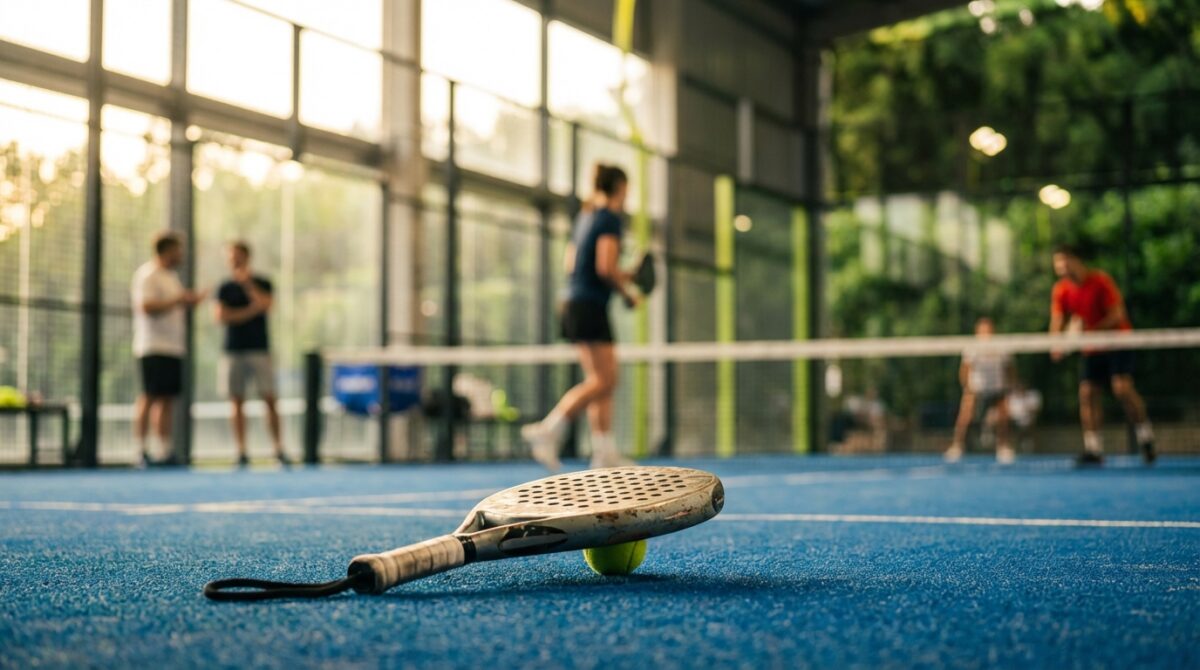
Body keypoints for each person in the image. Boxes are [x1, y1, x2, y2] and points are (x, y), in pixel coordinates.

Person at [521, 164, 642, 471]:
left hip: (573, 302)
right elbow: (605, 267)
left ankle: (604, 453)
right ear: (619, 187)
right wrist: (627, 290)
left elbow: (573, 262)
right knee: (605, 379)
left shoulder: (585, 217)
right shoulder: (610, 219)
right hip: (589, 306)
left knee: (600, 382)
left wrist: (619, 274)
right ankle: (549, 429)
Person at [1049, 244, 1155, 465]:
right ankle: (1094, 449)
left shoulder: (1100, 281)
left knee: (1122, 388)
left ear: (1076, 260)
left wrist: (1088, 332)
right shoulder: (1061, 290)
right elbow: (1058, 320)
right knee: (1087, 392)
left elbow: (1118, 314)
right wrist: (1055, 343)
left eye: (1064, 260)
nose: (1061, 265)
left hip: (1118, 342)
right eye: (1057, 262)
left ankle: (1146, 437)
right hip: (1092, 348)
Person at [132, 231, 206, 467]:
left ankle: (164, 451)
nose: (181, 254)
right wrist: (178, 300)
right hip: (152, 346)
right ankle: (140, 450)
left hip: (173, 347)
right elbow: (146, 306)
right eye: (178, 250)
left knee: (167, 399)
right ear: (167, 250)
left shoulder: (171, 277)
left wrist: (189, 301)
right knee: (150, 396)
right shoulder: (148, 275)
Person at [214, 241, 288, 466]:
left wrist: (248, 286)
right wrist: (249, 312)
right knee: (236, 399)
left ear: (247, 257)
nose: (234, 260)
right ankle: (241, 450)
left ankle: (278, 449)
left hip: (259, 349)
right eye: (231, 256)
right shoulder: (224, 287)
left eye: (238, 256)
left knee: (269, 398)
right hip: (233, 350)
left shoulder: (262, 282)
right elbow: (221, 317)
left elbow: (266, 305)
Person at [945, 317, 1015, 464]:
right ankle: (957, 446)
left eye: (988, 329)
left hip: (997, 387)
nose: (985, 333)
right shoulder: (972, 347)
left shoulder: (1002, 346)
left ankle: (1003, 447)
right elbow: (964, 369)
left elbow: (1009, 369)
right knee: (965, 414)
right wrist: (967, 387)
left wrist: (1009, 386)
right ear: (977, 331)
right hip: (976, 388)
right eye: (982, 330)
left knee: (1003, 416)